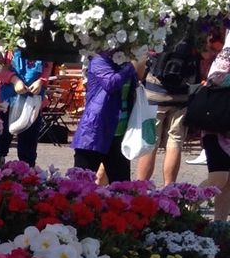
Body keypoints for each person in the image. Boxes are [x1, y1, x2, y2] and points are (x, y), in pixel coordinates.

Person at [136, 30, 202, 185]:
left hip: (154, 93)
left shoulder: (158, 30)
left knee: (150, 141)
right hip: (181, 95)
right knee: (175, 141)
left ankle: (141, 188)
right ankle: (169, 189)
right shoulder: (192, 32)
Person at [72, 49, 143, 183]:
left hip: (119, 133)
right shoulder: (99, 60)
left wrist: (140, 61)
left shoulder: (125, 62)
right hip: (95, 132)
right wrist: (132, 66)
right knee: (80, 186)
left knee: (122, 188)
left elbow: (139, 78)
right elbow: (111, 84)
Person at [199, 38, 230, 219]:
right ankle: (181, 206)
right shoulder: (227, 54)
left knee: (228, 183)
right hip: (217, 126)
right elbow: (215, 77)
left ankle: (219, 228)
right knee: (219, 178)